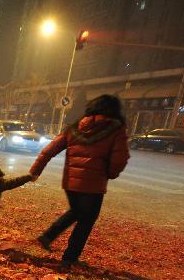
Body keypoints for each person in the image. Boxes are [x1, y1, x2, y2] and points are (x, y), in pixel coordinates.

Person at [30, 94, 130, 269]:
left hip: (71, 184)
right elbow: (119, 159)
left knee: (77, 211)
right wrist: (111, 173)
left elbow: (48, 151)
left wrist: (35, 171)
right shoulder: (116, 130)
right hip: (94, 186)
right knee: (86, 221)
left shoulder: (75, 128)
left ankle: (47, 236)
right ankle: (69, 258)